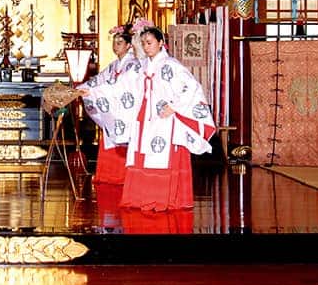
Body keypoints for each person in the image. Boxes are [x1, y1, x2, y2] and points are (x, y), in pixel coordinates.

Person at [79, 25, 216, 210]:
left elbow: (191, 88)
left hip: (164, 119)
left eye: (150, 42)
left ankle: (164, 199)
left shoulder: (172, 66)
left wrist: (174, 107)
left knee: (162, 157)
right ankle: (141, 198)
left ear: (161, 43)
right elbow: (120, 85)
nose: (146, 46)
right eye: (143, 43)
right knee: (141, 156)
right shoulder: (140, 67)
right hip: (144, 117)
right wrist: (92, 90)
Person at [80, 25, 141, 186]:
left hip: (125, 109)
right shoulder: (114, 65)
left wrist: (97, 91)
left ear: (129, 45)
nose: (116, 46)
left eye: (120, 42)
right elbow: (98, 80)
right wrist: (82, 88)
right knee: (109, 134)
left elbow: (120, 85)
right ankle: (108, 176)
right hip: (112, 107)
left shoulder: (133, 64)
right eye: (114, 42)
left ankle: (124, 176)